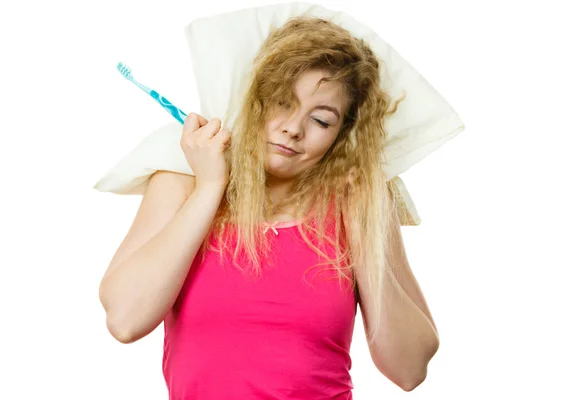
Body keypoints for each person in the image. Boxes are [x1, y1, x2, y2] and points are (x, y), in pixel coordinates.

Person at [99, 16, 439, 398]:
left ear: (341, 136)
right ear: (254, 99)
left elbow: (410, 370)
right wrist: (211, 187)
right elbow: (125, 321)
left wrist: (363, 227)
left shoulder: (360, 203)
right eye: (282, 102)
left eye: (321, 120)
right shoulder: (181, 185)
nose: (294, 128)